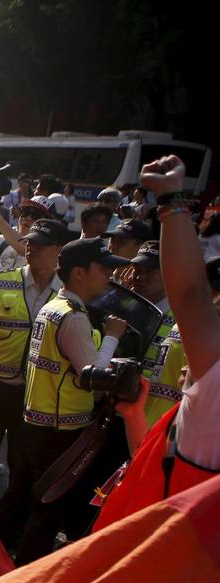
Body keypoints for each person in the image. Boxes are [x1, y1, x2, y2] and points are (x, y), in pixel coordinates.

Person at [93, 154, 220, 529]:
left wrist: (171, 198)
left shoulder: (213, 392)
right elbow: (147, 457)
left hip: (163, 544)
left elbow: (192, 294)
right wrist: (135, 417)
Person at [0, 238, 129, 564]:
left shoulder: (54, 306)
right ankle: (25, 574)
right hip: (59, 431)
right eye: (103, 268)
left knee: (18, 498)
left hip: (35, 421)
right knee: (46, 512)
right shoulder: (74, 317)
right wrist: (112, 336)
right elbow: (94, 376)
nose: (109, 275)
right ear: (79, 272)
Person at [0, 218, 73, 509]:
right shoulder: (2, 280)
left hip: (36, 396)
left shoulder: (69, 294)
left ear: (59, 250)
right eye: (30, 242)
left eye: (41, 245)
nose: (31, 249)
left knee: (22, 466)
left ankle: (4, 527)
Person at [122, 241, 186, 426]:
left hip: (156, 421)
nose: (139, 277)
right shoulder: (125, 306)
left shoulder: (181, 316)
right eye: (137, 269)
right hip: (119, 412)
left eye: (149, 271)